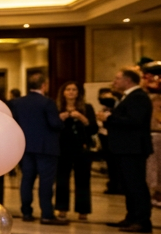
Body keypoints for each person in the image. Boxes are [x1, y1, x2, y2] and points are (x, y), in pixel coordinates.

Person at [9, 72, 64, 225]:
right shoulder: (47, 102)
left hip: (25, 147)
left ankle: (26, 212)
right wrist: (61, 121)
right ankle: (47, 214)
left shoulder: (17, 103)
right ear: (44, 85)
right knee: (46, 182)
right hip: (46, 148)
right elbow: (54, 124)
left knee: (27, 180)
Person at [103, 68, 154, 233]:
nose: (115, 81)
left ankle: (141, 220)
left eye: (118, 78)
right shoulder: (128, 97)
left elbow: (134, 121)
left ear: (128, 80)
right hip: (126, 148)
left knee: (136, 184)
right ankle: (131, 217)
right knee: (128, 184)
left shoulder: (138, 97)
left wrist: (109, 118)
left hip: (133, 148)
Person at [54, 82, 97, 220]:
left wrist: (82, 118)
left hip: (81, 147)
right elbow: (52, 127)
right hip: (62, 148)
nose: (71, 92)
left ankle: (83, 210)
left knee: (83, 179)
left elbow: (93, 129)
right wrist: (60, 119)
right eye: (68, 89)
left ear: (78, 93)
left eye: (74, 90)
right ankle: (61, 208)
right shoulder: (57, 108)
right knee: (62, 179)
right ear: (63, 92)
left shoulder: (87, 108)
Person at [98, 86, 121, 194]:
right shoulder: (103, 109)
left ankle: (117, 184)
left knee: (115, 162)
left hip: (112, 136)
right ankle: (113, 183)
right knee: (110, 162)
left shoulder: (116, 108)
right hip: (104, 135)